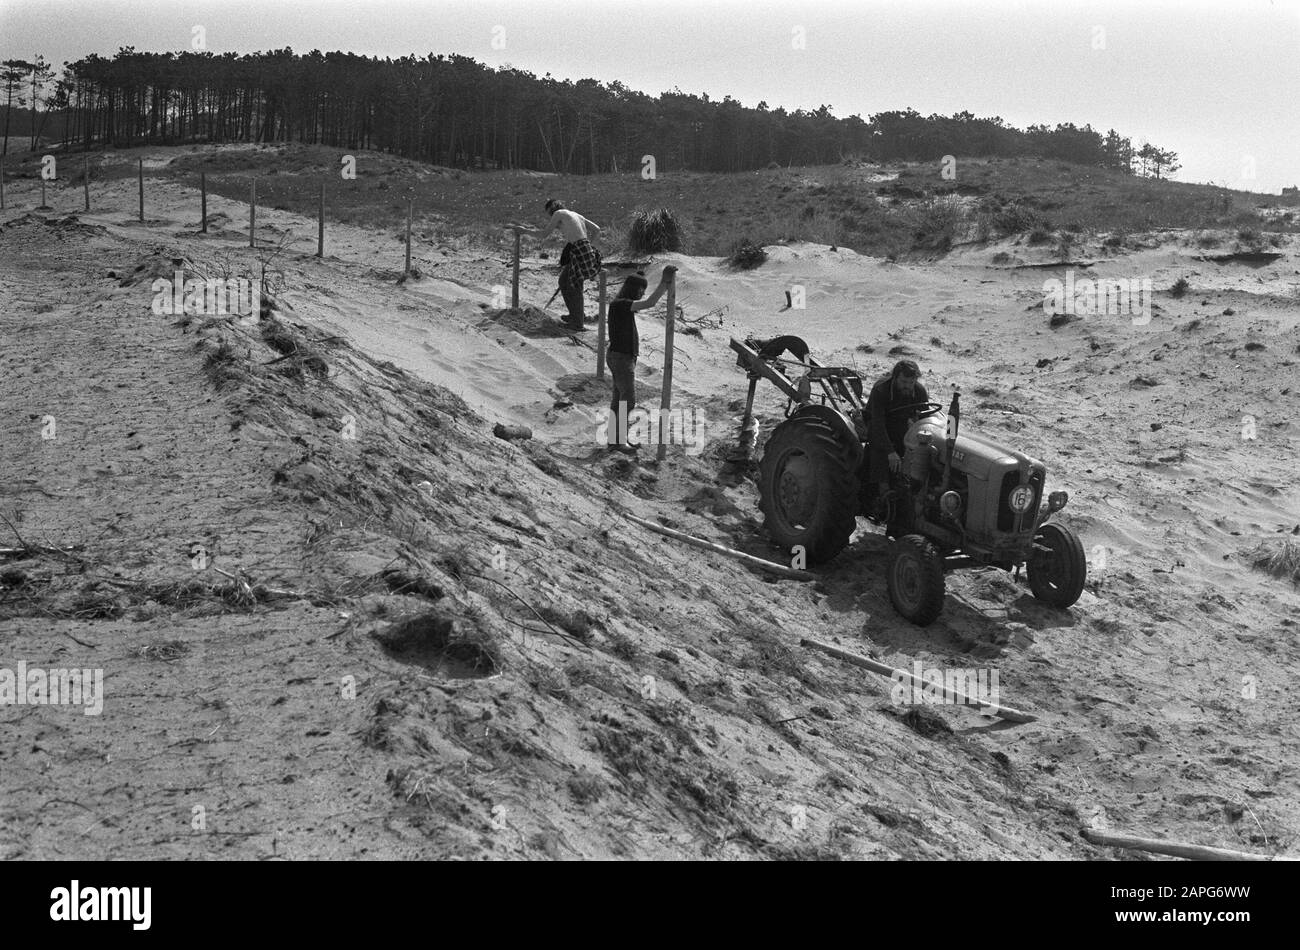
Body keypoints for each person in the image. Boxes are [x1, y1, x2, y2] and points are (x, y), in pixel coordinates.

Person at [606, 266, 676, 452]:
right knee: (627, 400)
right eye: (641, 290)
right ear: (633, 289)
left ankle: (614, 439)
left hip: (620, 357)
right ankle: (619, 441)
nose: (642, 293)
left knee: (618, 400)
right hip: (621, 358)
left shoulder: (620, 305)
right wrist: (664, 282)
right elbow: (650, 303)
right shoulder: (621, 304)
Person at [866, 359, 929, 513]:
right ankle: (883, 495)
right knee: (880, 450)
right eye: (903, 381)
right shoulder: (881, 390)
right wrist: (890, 452)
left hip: (902, 427)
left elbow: (926, 419)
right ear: (895, 378)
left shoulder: (919, 391)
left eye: (911, 382)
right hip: (877, 425)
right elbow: (877, 424)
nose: (907, 385)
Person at [544, 199, 602, 330]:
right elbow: (597, 229)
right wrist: (588, 246)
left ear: (552, 210)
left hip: (579, 251)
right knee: (565, 281)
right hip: (583, 249)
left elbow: (544, 234)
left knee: (574, 285)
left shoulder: (559, 213)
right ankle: (575, 315)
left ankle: (577, 322)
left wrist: (523, 230)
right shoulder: (576, 215)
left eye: (549, 214)